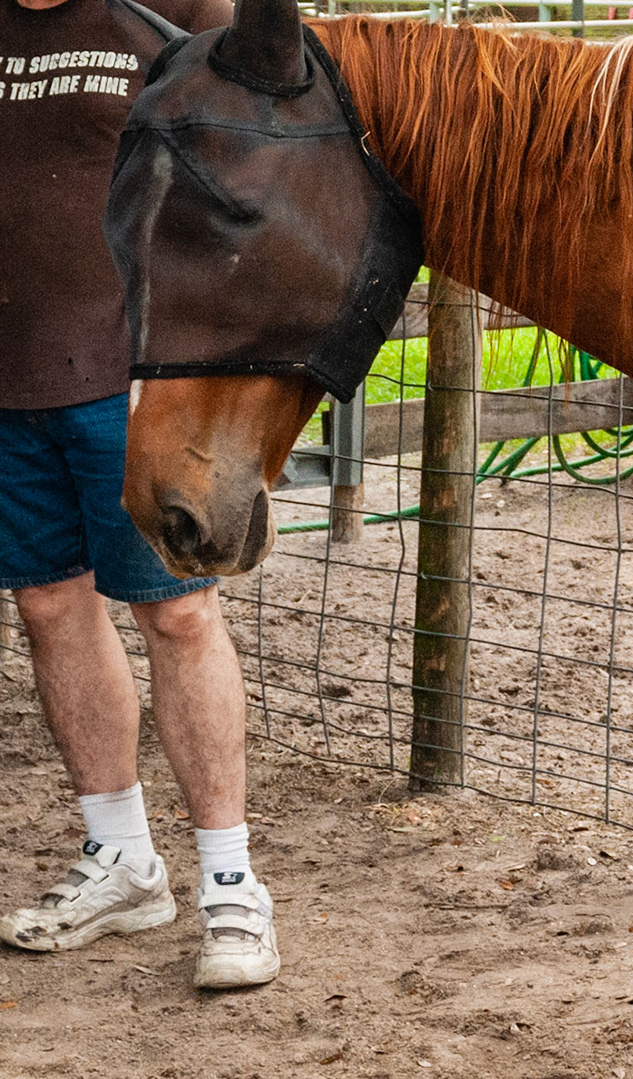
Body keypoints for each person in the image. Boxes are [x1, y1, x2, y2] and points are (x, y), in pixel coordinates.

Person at [0, 0, 280, 989]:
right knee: (48, 606)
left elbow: (249, 172)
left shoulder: (168, 14)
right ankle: (121, 861)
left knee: (179, 615)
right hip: (12, 384)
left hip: (132, 387)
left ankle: (232, 886)